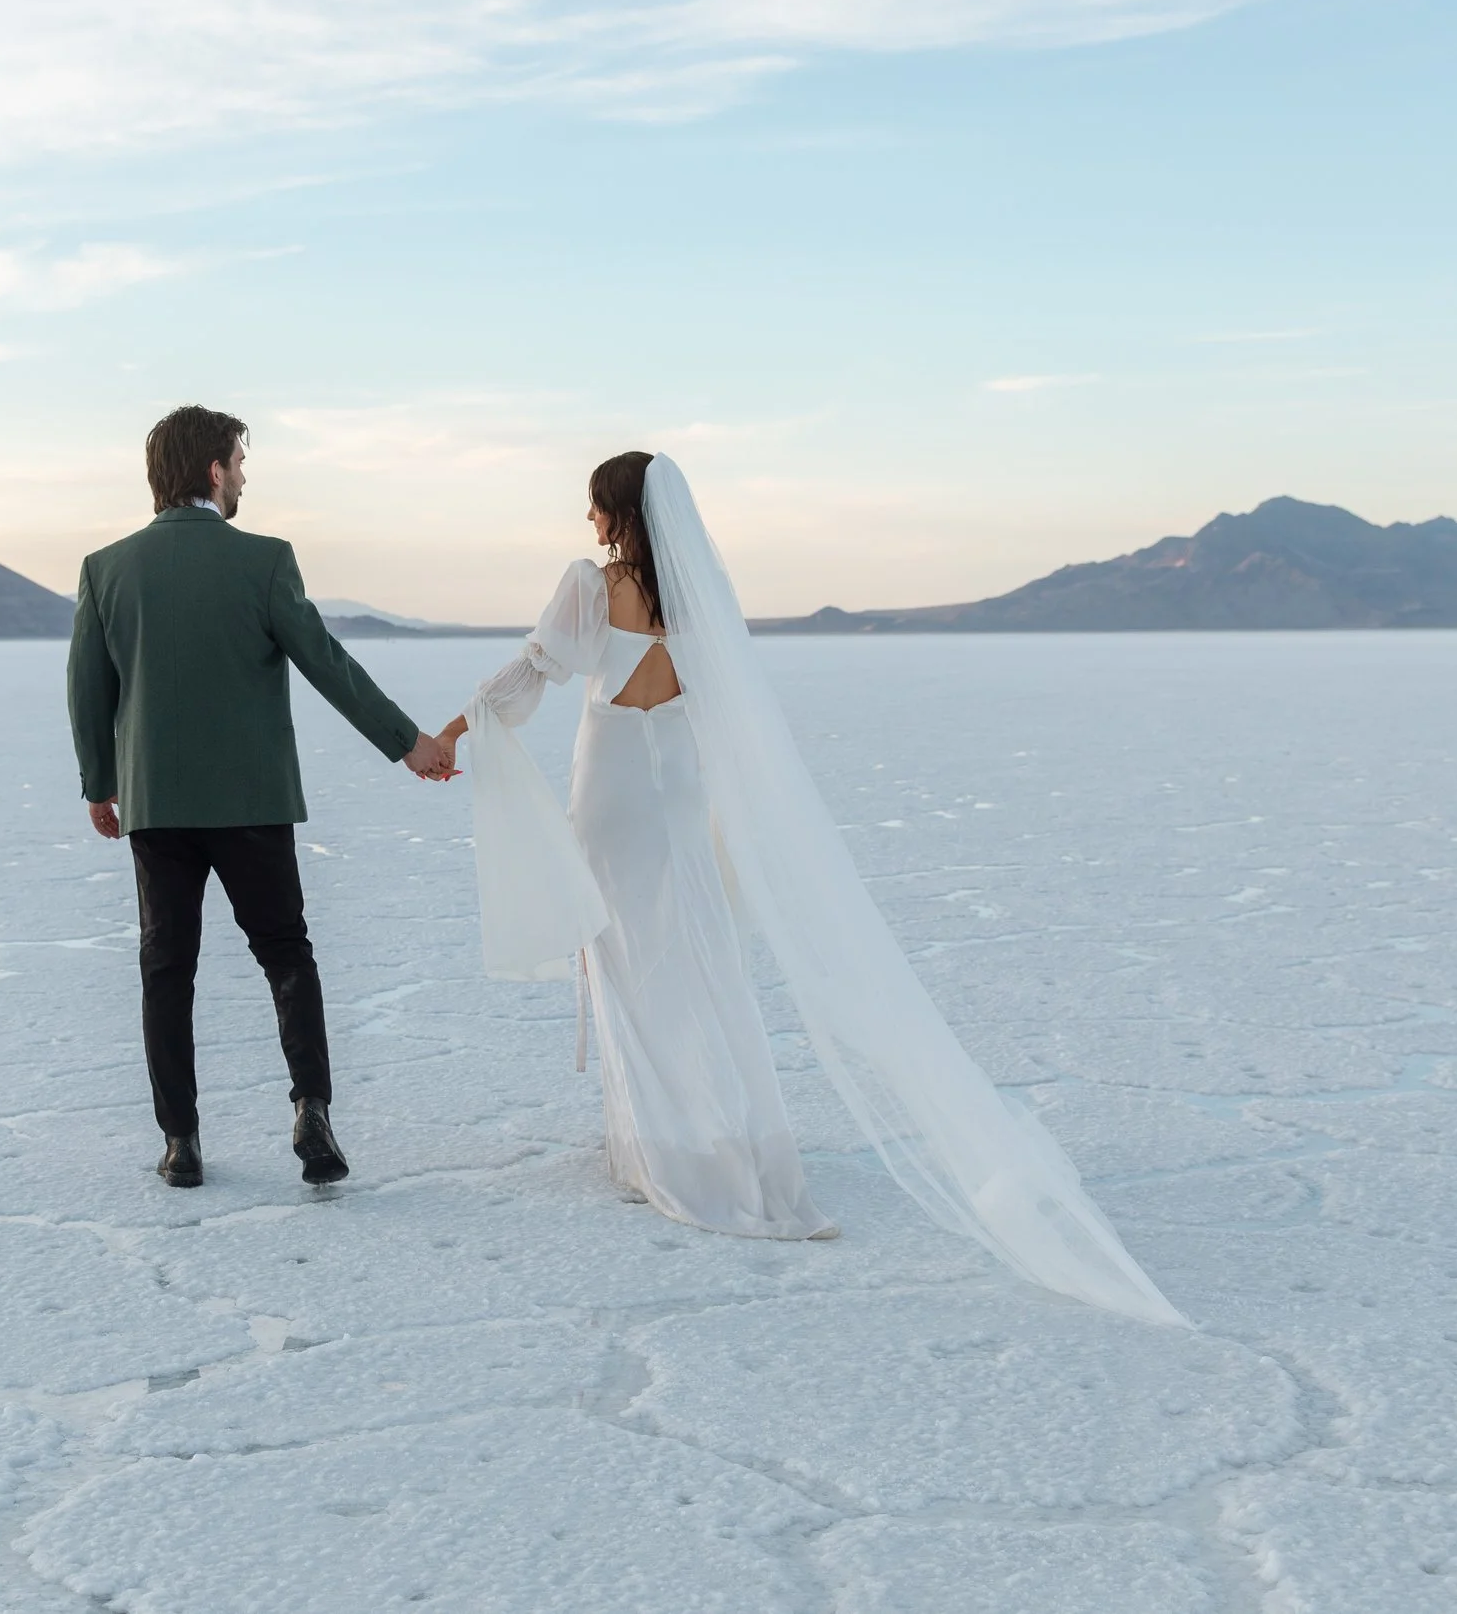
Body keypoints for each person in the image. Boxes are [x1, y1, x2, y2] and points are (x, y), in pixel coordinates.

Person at [439, 452, 1187, 1325]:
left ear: (619, 511)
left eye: (597, 509)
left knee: (624, 960)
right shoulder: (697, 597)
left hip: (612, 791)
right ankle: (721, 1139)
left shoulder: (591, 586)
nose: (590, 526)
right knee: (698, 961)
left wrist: (457, 731)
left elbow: (533, 675)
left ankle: (657, 1152)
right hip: (677, 788)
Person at [68, 405, 453, 1191]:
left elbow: (85, 688)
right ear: (214, 470)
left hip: (158, 804)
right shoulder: (265, 561)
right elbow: (327, 663)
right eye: (240, 461)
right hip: (251, 801)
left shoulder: (107, 569)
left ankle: (181, 1141)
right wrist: (408, 742)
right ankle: (312, 1109)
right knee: (286, 953)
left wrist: (98, 781)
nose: (244, 475)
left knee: (166, 969)